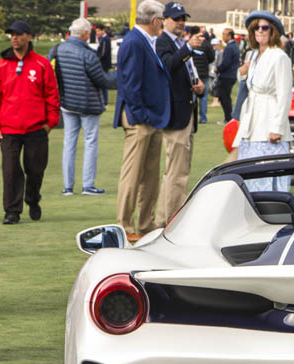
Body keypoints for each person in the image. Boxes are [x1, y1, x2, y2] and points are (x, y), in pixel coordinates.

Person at [0, 20, 60, 224]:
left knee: (35, 170)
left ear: (29, 36)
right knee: (10, 171)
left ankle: (33, 198)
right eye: (12, 35)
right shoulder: (2, 65)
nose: (15, 38)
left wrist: (50, 122)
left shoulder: (41, 64)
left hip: (36, 128)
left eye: (18, 34)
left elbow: (52, 95)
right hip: (9, 129)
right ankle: (12, 211)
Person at [113, 0, 170, 241]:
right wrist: (141, 116)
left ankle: (145, 225)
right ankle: (125, 226)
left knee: (150, 176)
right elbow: (129, 83)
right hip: (140, 119)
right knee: (133, 174)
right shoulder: (135, 42)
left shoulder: (144, 41)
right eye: (163, 20)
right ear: (156, 21)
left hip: (152, 118)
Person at [156, 1, 206, 227]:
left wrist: (198, 86)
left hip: (187, 111)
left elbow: (184, 73)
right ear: (164, 20)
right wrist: (187, 47)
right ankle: (172, 221)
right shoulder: (163, 41)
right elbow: (167, 66)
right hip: (176, 116)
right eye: (176, 18)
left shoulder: (176, 42)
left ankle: (163, 220)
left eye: (183, 18)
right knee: (177, 173)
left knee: (177, 172)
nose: (180, 22)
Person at [55, 18, 116, 196]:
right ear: (84, 34)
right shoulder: (88, 54)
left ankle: (68, 186)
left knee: (69, 143)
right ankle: (88, 185)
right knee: (90, 143)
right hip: (88, 104)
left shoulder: (58, 49)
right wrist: (120, 75)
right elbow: (102, 80)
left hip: (67, 103)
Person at [233, 10, 293, 192]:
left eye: (264, 27)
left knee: (269, 173)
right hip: (251, 119)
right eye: (256, 28)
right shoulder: (253, 55)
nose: (260, 31)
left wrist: (277, 127)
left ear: (272, 31)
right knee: (249, 171)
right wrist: (242, 72)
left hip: (269, 118)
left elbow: (284, 94)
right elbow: (248, 82)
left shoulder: (279, 56)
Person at [190, 25, 215, 124]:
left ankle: (190, 117)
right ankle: (203, 118)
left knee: (192, 95)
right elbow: (212, 58)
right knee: (203, 97)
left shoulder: (188, 43)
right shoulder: (206, 44)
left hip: (192, 73)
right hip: (203, 72)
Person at [216, 28, 239, 123]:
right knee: (225, 97)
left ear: (229, 36)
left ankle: (228, 118)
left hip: (227, 76)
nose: (223, 36)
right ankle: (229, 117)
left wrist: (218, 68)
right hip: (231, 75)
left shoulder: (230, 47)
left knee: (225, 98)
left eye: (224, 34)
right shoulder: (234, 46)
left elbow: (226, 63)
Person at [95, 24, 113, 105]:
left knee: (103, 83)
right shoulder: (102, 39)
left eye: (98, 31)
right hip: (102, 64)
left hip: (104, 64)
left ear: (103, 30)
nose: (97, 33)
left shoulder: (105, 39)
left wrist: (96, 58)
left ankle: (104, 101)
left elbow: (103, 53)